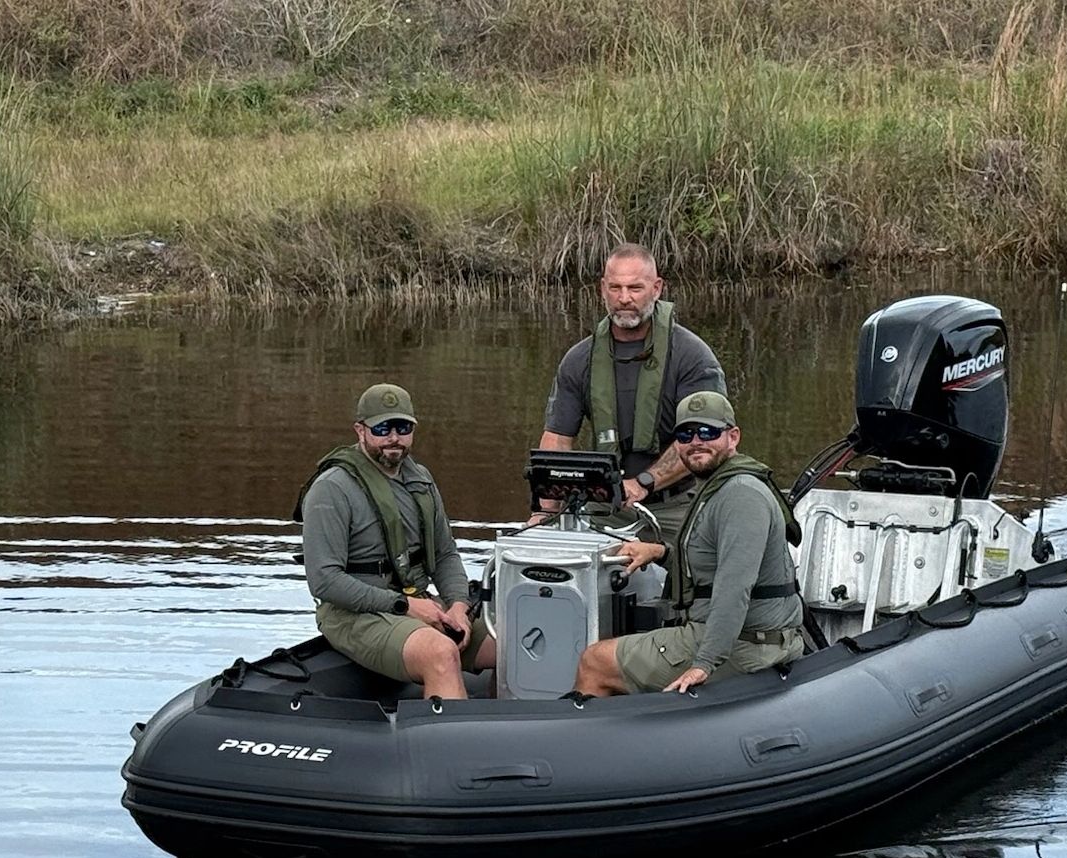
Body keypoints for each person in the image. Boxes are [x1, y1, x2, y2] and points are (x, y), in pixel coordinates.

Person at [573, 392, 803, 696]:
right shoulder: (719, 487)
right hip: (745, 637)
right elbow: (708, 565)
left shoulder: (741, 495)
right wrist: (659, 552)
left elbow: (734, 589)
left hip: (747, 645)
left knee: (595, 661)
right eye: (685, 434)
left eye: (708, 432)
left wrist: (703, 664)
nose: (696, 441)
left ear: (733, 437)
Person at [295, 383, 493, 700]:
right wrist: (403, 605)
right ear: (360, 430)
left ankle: (510, 731)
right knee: (440, 652)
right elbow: (324, 582)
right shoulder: (331, 489)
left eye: (403, 428)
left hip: (419, 602)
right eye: (382, 428)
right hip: (355, 615)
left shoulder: (421, 480)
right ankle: (453, 745)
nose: (393, 438)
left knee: (513, 644)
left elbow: (444, 554)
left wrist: (457, 605)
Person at [531, 243, 727, 544]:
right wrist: (543, 513)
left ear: (657, 288)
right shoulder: (578, 359)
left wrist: (643, 483)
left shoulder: (693, 356)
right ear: (602, 289)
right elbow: (556, 440)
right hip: (607, 506)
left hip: (679, 504)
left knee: (694, 571)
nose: (624, 299)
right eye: (616, 288)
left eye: (635, 288)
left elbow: (703, 439)